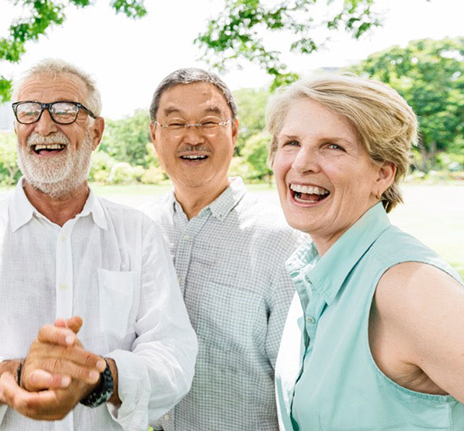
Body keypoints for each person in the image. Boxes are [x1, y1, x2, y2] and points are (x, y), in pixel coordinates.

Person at [0, 59, 197, 431]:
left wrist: (99, 376)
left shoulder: (137, 233)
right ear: (15, 128)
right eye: (29, 112)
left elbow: (173, 354)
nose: (44, 126)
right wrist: (10, 378)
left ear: (96, 132)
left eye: (65, 110)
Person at [267, 74, 464, 430]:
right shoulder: (315, 269)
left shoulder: (408, 286)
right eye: (291, 142)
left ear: (383, 174)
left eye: (333, 146)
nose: (302, 163)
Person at [143, 68, 304, 430]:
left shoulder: (281, 238)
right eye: (176, 123)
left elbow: (299, 383)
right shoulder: (140, 230)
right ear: (154, 134)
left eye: (209, 121)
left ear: (233, 130)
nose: (193, 137)